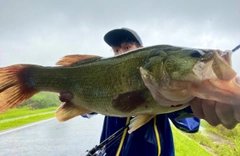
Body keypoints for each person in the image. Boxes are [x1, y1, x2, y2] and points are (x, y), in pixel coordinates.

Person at [59, 28, 240, 156]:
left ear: (142, 50)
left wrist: (194, 104)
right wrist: (77, 100)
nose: (120, 53)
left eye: (127, 47)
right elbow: (89, 110)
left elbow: (190, 125)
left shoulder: (167, 85)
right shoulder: (109, 80)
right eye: (115, 50)